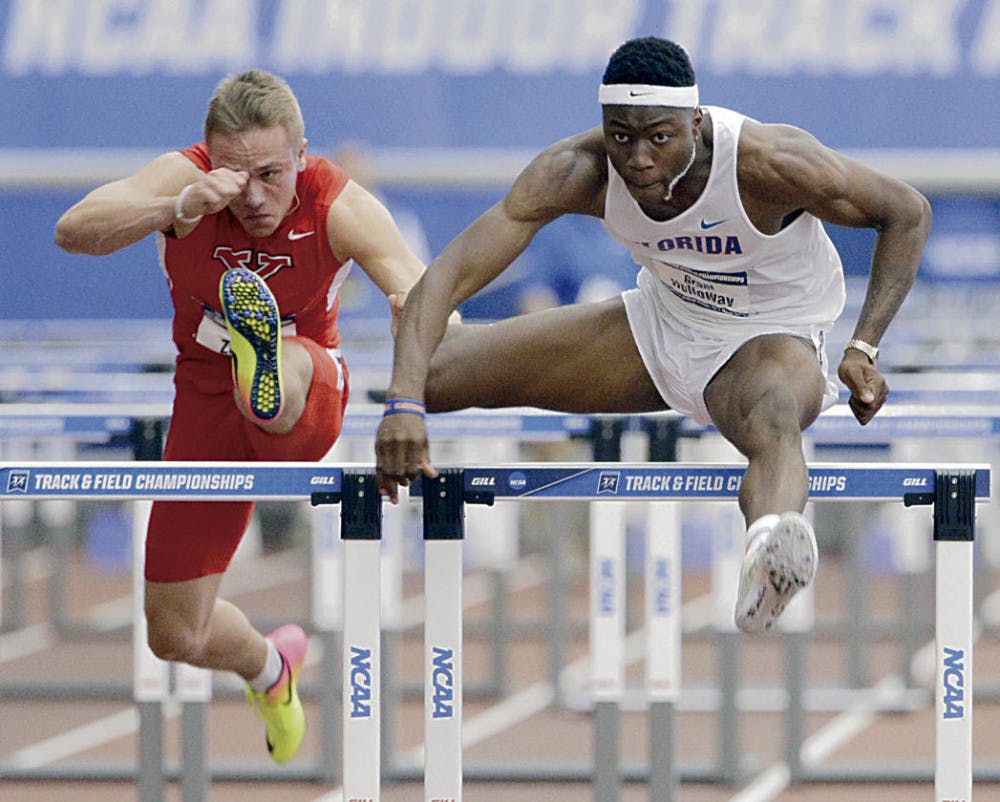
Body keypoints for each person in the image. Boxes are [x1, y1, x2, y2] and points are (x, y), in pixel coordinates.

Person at [375, 37, 931, 634]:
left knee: (772, 418)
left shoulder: (766, 163)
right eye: (621, 135)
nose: (638, 157)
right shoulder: (578, 170)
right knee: (430, 375)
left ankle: (769, 551)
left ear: (695, 122)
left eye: (659, 137)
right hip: (661, 323)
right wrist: (404, 401)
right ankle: (390, 369)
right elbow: (449, 274)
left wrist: (863, 347)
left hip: (771, 335)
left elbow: (906, 211)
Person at [55, 69, 425, 762]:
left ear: (302, 153)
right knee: (174, 632)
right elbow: (74, 231)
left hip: (308, 389)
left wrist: (406, 402)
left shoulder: (336, 201)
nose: (253, 195)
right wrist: (178, 205)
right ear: (207, 157)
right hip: (203, 403)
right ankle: (270, 667)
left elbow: (426, 301)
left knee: (282, 368)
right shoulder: (183, 178)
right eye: (234, 175)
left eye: (270, 174)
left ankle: (265, 358)